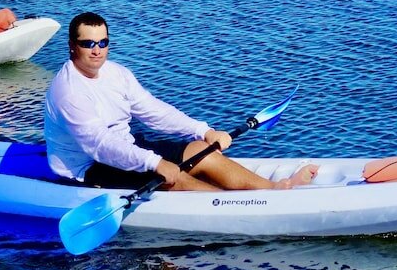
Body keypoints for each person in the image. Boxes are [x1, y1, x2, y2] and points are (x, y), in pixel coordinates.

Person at [44, 12, 317, 191]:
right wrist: (154, 163)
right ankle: (239, 207)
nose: (97, 51)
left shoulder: (117, 73)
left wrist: (204, 131)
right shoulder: (69, 91)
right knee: (177, 178)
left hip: (126, 146)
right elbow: (100, 145)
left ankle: (273, 189)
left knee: (202, 149)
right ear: (72, 46)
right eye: (88, 44)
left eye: (103, 43)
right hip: (89, 167)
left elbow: (154, 111)